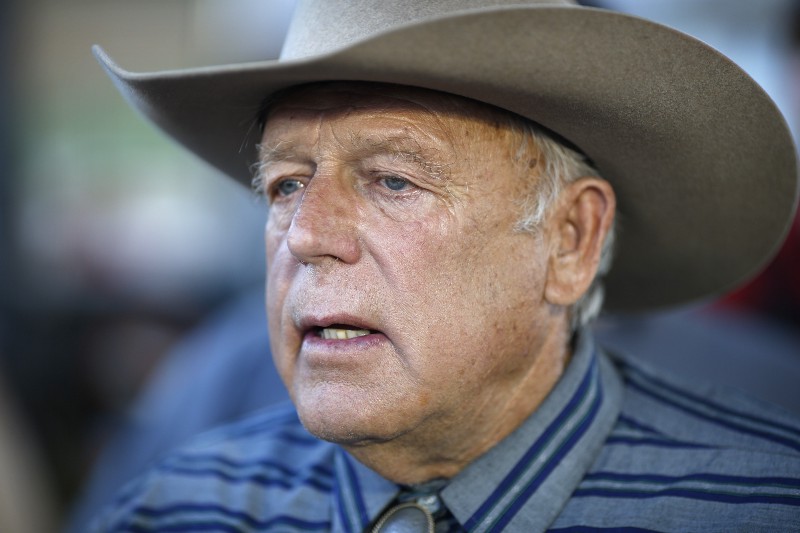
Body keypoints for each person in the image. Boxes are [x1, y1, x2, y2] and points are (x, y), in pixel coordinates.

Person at [89, 1, 800, 531]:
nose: (306, 234)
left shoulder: (762, 506)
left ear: (571, 239)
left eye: (393, 181)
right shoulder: (178, 506)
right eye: (286, 184)